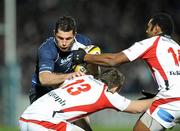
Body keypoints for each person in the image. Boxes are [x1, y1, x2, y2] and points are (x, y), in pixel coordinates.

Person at [72, 13, 180, 131]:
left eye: (149, 27)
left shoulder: (152, 42)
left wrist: (84, 57)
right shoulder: (177, 47)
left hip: (171, 100)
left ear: (157, 28)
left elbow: (114, 60)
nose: (146, 30)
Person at [19, 68, 154, 131]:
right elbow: (138, 108)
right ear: (116, 88)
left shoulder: (82, 78)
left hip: (25, 117)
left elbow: (75, 110)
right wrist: (161, 98)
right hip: (43, 123)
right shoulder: (107, 93)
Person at [30, 16, 93, 104]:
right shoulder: (46, 49)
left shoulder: (84, 43)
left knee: (83, 116)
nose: (64, 43)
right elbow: (44, 79)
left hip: (66, 88)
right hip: (41, 91)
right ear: (54, 34)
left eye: (68, 39)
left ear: (75, 35)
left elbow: (93, 70)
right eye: (60, 38)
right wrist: (70, 76)